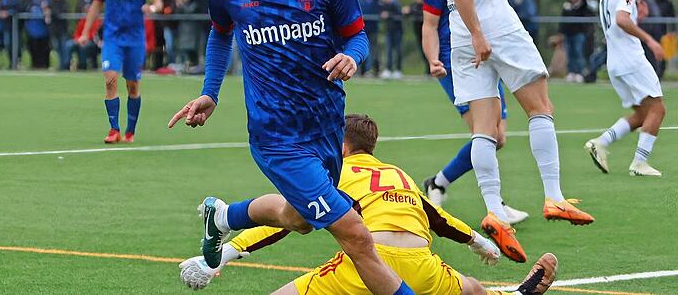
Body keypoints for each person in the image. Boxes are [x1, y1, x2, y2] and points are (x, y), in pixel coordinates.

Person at [167, 0, 415, 295]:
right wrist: (211, 91)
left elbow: (357, 34)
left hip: (325, 127)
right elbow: (220, 33)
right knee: (356, 235)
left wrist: (352, 56)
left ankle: (224, 217)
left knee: (299, 220)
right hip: (276, 137)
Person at [404, 0, 594, 260]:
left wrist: (469, 32)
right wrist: (479, 32)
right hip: (491, 27)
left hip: (459, 32)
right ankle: (554, 197)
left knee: (484, 128)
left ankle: (494, 211)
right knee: (540, 108)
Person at [179, 114, 559, 295]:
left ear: (341, 146)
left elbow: (284, 221)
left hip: (371, 262)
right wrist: (479, 242)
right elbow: (438, 218)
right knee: (472, 290)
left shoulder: (334, 170)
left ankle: (223, 226)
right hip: (423, 264)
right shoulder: (399, 174)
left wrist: (223, 255)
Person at [420, 0, 528, 228]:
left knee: (498, 137)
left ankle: (437, 183)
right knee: (486, 134)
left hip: (487, 58)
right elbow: (430, 24)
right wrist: (432, 58)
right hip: (455, 63)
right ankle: (496, 206)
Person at [584, 0, 666, 177]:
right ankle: (639, 163)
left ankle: (600, 143)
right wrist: (650, 40)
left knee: (642, 114)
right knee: (658, 108)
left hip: (615, 63)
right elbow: (621, 19)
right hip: (631, 60)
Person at [78, 0, 163, 144]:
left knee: (132, 85)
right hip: (112, 39)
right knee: (110, 80)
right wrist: (85, 32)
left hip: (134, 40)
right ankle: (113, 129)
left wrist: (152, 8)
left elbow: (156, 0)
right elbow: (96, 6)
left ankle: (130, 131)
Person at [559, 0, 591, 83]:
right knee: (570, 54)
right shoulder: (567, 6)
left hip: (579, 34)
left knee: (578, 53)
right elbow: (562, 21)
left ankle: (579, 73)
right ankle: (571, 72)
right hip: (568, 34)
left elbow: (584, 5)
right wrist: (560, 33)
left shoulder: (582, 6)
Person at [63, 2, 101, 71]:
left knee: (84, 46)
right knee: (68, 44)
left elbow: (95, 35)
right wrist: (78, 40)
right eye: (86, 11)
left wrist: (84, 40)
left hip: (91, 41)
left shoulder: (97, 21)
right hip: (80, 40)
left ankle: (82, 65)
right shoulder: (82, 21)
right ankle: (66, 65)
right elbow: (76, 33)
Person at [357, 0, 381, 76]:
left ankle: (375, 70)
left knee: (374, 50)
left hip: (373, 29)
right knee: (363, 49)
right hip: (362, 30)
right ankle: (364, 70)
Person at [652, 0, 676, 77]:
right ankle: (654, 71)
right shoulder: (652, 2)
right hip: (653, 31)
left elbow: (672, 17)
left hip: (664, 32)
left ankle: (661, 72)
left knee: (663, 53)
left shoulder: (668, 3)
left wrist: (672, 31)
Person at [379, 0, 403, 79]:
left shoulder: (395, 4)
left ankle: (398, 70)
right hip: (389, 31)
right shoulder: (384, 4)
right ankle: (388, 69)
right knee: (388, 50)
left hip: (397, 31)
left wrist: (389, 15)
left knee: (398, 50)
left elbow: (399, 14)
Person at [25, 0, 51, 69]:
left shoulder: (48, 3)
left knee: (44, 50)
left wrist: (46, 10)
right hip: (33, 32)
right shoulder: (32, 2)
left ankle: (45, 65)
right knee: (33, 49)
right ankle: (35, 65)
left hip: (44, 32)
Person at [405, 0, 429, 74]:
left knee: (429, 49)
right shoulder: (413, 5)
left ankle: (431, 68)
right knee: (422, 50)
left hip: (427, 32)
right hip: (418, 32)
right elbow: (408, 14)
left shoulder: (426, 4)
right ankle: (428, 69)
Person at [0, 0, 22, 69]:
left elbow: (19, 9)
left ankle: (17, 62)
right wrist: (0, 12)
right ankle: (11, 62)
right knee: (7, 44)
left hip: (15, 27)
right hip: (6, 26)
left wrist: (9, 13)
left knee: (16, 45)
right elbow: (0, 8)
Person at [48, 0, 70, 71]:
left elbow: (59, 13)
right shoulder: (51, 2)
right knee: (57, 48)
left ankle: (65, 65)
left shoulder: (64, 2)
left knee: (64, 48)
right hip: (54, 30)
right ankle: (61, 65)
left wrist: (54, 13)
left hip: (63, 30)